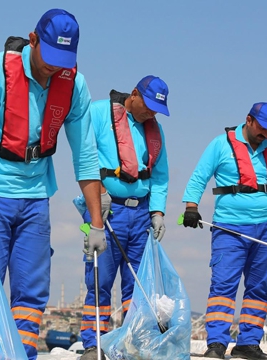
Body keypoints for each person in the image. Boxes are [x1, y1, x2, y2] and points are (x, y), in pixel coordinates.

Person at [0, 8, 105, 359]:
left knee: (31, 291)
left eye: (63, 61)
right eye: (49, 57)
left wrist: (96, 222)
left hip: (36, 197)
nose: (54, 68)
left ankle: (21, 354)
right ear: (33, 39)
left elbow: (85, 156)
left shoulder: (73, 85)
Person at [181, 102, 267, 360]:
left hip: (265, 229)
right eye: (263, 128)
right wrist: (191, 206)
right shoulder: (220, 144)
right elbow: (199, 177)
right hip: (229, 228)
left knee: (260, 287)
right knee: (223, 284)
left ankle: (248, 343)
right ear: (249, 120)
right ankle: (217, 343)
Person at [75, 76, 170, 360]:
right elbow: (83, 153)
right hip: (106, 209)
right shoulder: (98, 112)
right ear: (134, 94)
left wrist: (158, 212)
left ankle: (132, 342)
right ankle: (95, 343)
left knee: (137, 284)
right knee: (99, 280)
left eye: (156, 110)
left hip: (140, 214)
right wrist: (97, 195)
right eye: (148, 106)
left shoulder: (156, 131)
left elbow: (161, 176)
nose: (150, 113)